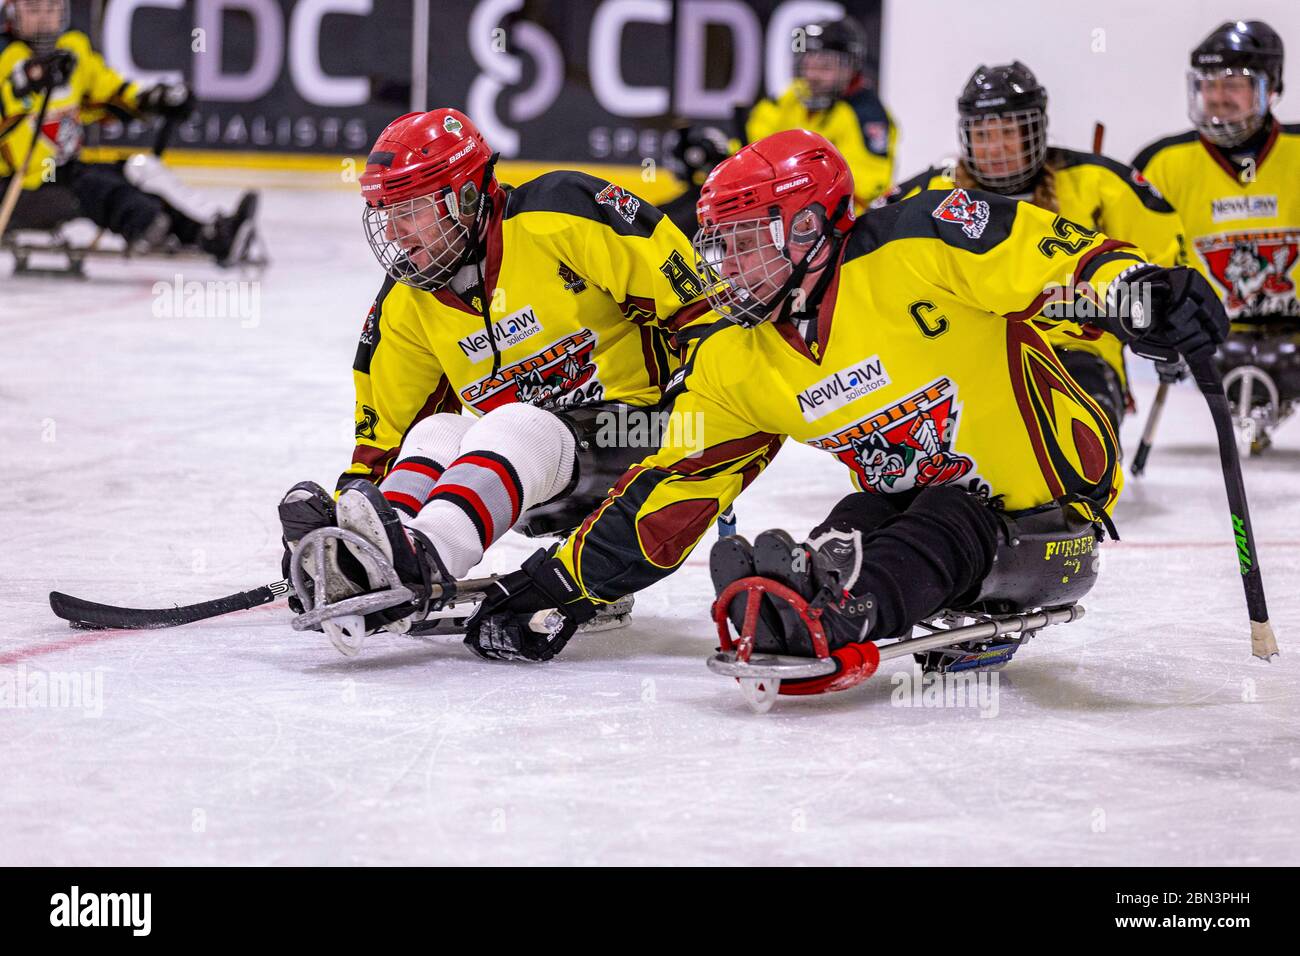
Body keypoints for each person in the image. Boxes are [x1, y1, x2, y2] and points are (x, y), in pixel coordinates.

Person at [321, 129, 1228, 679]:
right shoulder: (737, 360)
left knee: (946, 514)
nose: (723, 268)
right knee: (848, 522)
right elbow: (666, 496)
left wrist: (1139, 293)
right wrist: (558, 584)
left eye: (744, 243)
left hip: (1051, 510)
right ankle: (822, 592)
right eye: (719, 246)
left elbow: (1053, 252)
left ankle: (850, 610)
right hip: (925, 507)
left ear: (807, 229)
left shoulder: (914, 241)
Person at [278, 108, 712, 651]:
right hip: (531, 474)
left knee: (512, 423)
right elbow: (380, 446)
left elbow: (703, 316)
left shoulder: (565, 214)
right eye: (385, 212)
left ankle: (425, 558)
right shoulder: (404, 307)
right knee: (436, 433)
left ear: (464, 197)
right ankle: (366, 560)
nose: (394, 232)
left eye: (410, 210)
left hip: (651, 437)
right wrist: (348, 517)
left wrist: (704, 428)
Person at [878, 61, 1191, 435]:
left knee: (1079, 442)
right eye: (983, 133)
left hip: (1077, 352)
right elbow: (870, 265)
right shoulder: (930, 195)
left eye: (1009, 130)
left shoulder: (1097, 181)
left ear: (1036, 130)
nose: (996, 147)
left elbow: (1161, 256)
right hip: (964, 357)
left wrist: (1169, 324)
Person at [1133, 20, 1298, 451]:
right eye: (1209, 84)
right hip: (1208, 335)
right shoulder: (1163, 162)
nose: (1218, 97)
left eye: (1234, 83)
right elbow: (1134, 256)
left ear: (1270, 88)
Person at [0, 0, 256, 263]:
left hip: (62, 172)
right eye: (33, 9)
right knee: (94, 186)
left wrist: (153, 98)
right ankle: (146, 220)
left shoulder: (72, 50)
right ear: (11, 13)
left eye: (51, 9)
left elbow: (110, 91)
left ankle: (211, 229)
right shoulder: (5, 57)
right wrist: (24, 85)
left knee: (140, 168)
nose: (44, 18)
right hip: (17, 187)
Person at [741, 14, 896, 209]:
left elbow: (868, 186)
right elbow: (754, 144)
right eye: (808, 65)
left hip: (840, 220)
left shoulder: (866, 114)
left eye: (825, 67)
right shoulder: (790, 98)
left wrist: (787, 177)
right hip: (784, 207)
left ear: (851, 66)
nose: (813, 76)